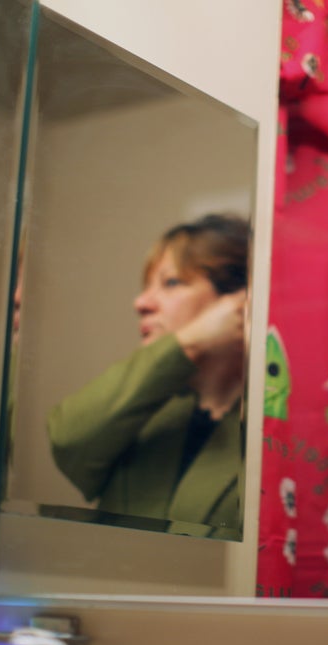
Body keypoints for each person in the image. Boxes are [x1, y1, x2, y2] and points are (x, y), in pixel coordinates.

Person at [48, 213, 249, 540]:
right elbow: (68, 440)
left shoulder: (271, 430)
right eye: (146, 287)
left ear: (238, 299)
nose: (141, 303)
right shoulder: (142, 407)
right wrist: (191, 340)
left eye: (171, 283)